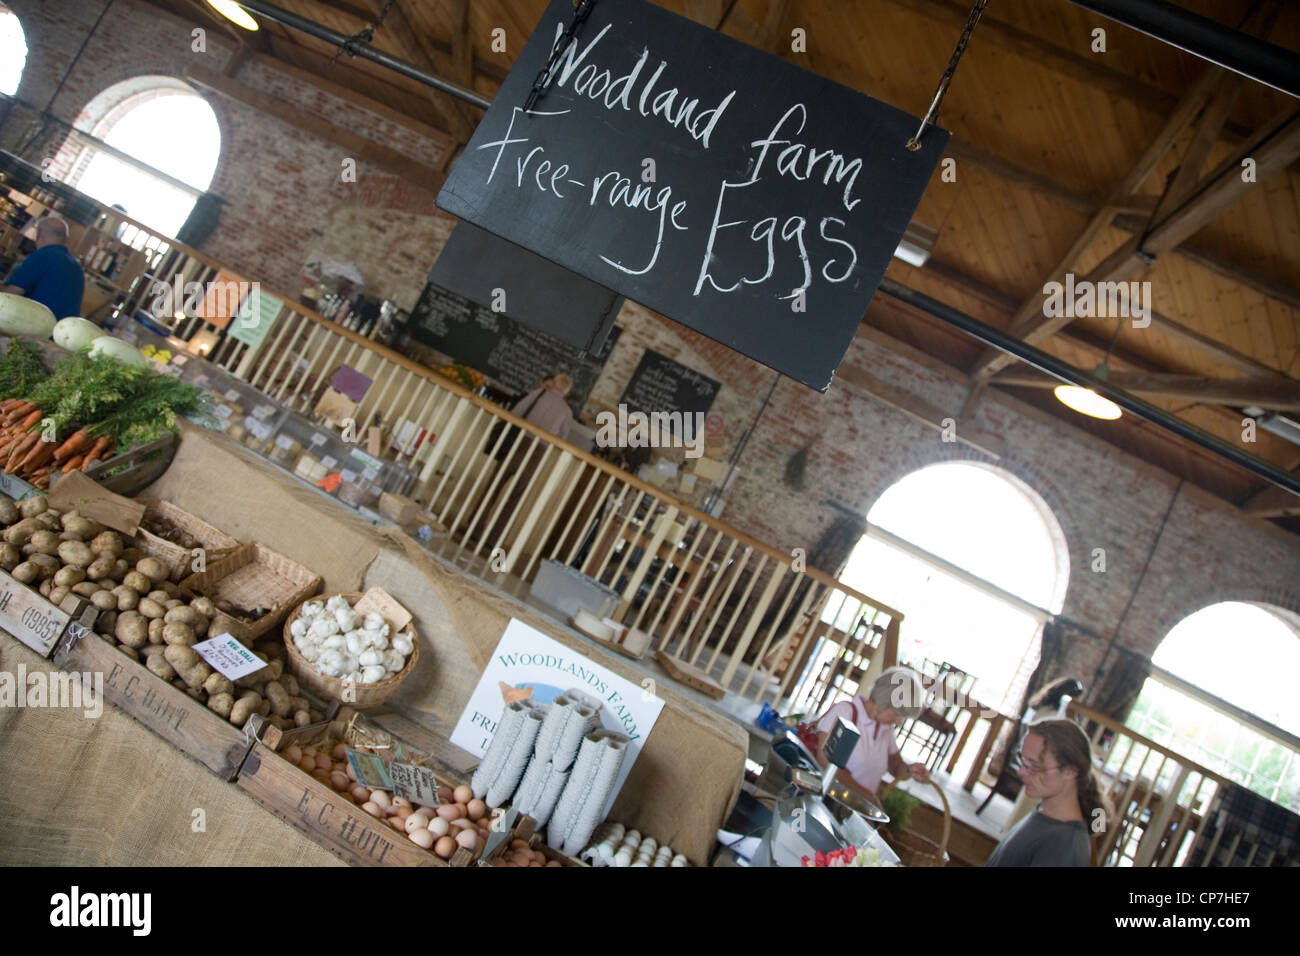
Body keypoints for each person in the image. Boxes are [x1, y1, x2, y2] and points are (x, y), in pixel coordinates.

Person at [984, 718, 1111, 867]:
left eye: (1033, 765)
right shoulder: (1045, 814)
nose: (1021, 772)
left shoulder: (1065, 845)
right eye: (1023, 761)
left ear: (1070, 771)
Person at [809, 666, 931, 804]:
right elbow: (825, 761)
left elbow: (896, 767)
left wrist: (910, 769)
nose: (899, 722)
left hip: (850, 805)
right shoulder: (845, 712)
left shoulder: (886, 729)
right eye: (897, 714)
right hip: (825, 800)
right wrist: (867, 797)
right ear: (882, 702)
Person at [1, 215, 85, 319]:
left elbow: (12, 295)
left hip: (32, 326)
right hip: (61, 331)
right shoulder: (77, 267)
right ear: (66, 238)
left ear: (38, 234)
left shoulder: (42, 256)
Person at [511, 373, 575, 442]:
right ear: (567, 393)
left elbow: (518, 410)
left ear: (553, 383)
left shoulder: (539, 393)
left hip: (521, 436)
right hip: (542, 447)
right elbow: (562, 437)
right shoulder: (567, 411)